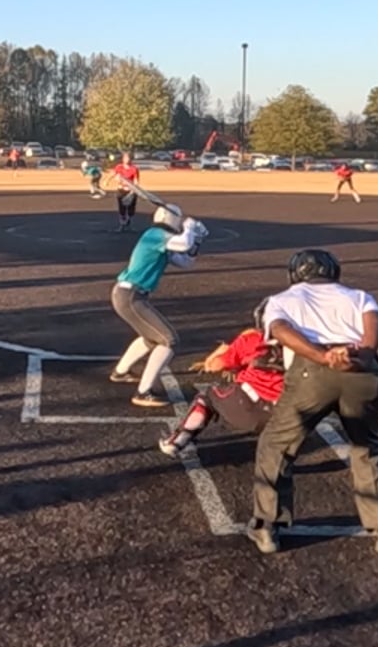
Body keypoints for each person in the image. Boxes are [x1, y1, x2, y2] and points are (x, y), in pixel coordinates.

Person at [248, 249, 378, 556]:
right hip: (361, 372)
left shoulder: (281, 300)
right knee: (367, 447)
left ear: (295, 273)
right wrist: (363, 357)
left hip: (311, 372)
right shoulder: (359, 296)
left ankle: (267, 526)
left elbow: (280, 331)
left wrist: (322, 357)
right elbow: (375, 324)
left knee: (276, 444)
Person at [109, 203, 207, 408]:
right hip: (130, 295)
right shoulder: (155, 234)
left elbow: (186, 262)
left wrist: (197, 240)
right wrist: (190, 228)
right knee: (169, 340)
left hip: (131, 295)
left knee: (151, 338)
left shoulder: (164, 241)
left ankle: (121, 372)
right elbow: (183, 244)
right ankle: (143, 392)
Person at [159, 312, 285, 457]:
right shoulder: (304, 344)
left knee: (208, 396)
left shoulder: (255, 339)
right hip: (285, 416)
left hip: (246, 405)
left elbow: (216, 365)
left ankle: (178, 440)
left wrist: (221, 354)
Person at [111, 151, 141, 232]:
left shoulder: (134, 169)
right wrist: (107, 181)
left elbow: (136, 181)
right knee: (122, 209)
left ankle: (129, 225)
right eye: (126, 158)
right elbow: (114, 175)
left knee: (131, 210)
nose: (127, 159)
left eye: (129, 158)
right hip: (121, 191)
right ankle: (121, 226)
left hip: (131, 191)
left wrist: (133, 190)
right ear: (123, 159)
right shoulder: (119, 167)